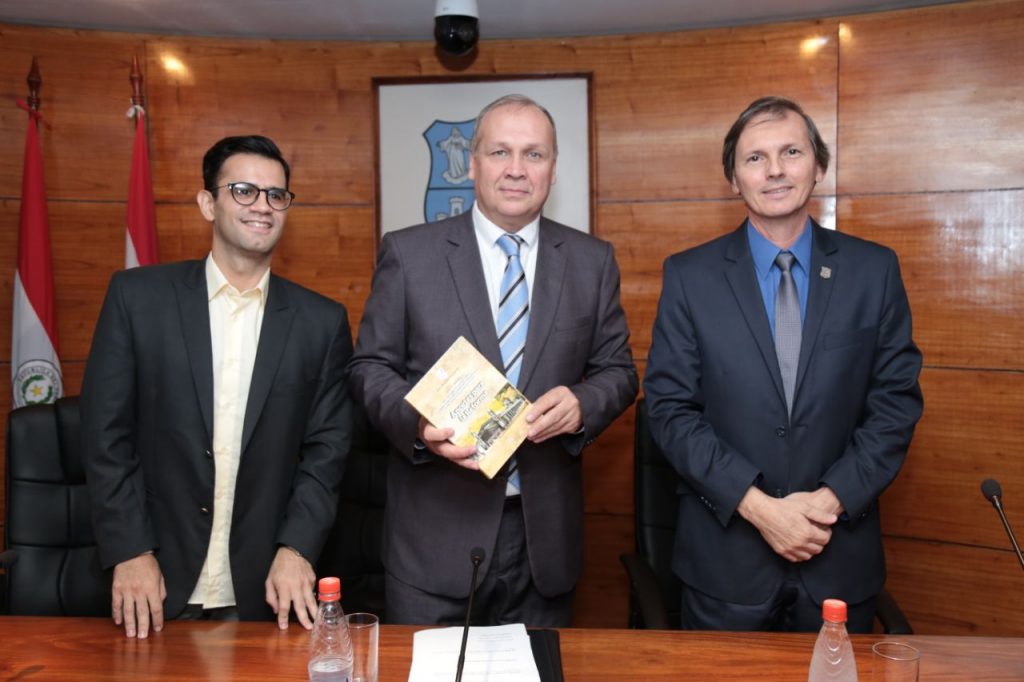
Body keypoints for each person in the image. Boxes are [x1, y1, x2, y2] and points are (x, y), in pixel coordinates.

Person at [349, 94, 637, 627]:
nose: (516, 169)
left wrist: (583, 404)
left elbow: (618, 372)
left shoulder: (592, 262)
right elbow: (369, 368)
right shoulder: (410, 255)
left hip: (543, 544)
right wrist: (418, 424)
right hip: (434, 541)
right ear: (473, 163)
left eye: (534, 154)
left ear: (553, 169)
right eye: (500, 152)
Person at [643, 96, 923, 633]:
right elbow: (670, 411)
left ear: (818, 166)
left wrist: (828, 503)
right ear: (733, 179)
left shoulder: (874, 270)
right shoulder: (689, 277)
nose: (774, 170)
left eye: (791, 152)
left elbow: (895, 405)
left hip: (838, 555)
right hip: (725, 567)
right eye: (755, 158)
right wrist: (760, 508)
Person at [82, 135, 353, 638]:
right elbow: (105, 436)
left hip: (266, 589)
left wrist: (297, 548)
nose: (263, 206)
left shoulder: (321, 322)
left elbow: (327, 451)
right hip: (152, 584)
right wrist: (129, 549)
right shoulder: (137, 299)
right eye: (244, 191)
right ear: (208, 203)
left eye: (276, 195)